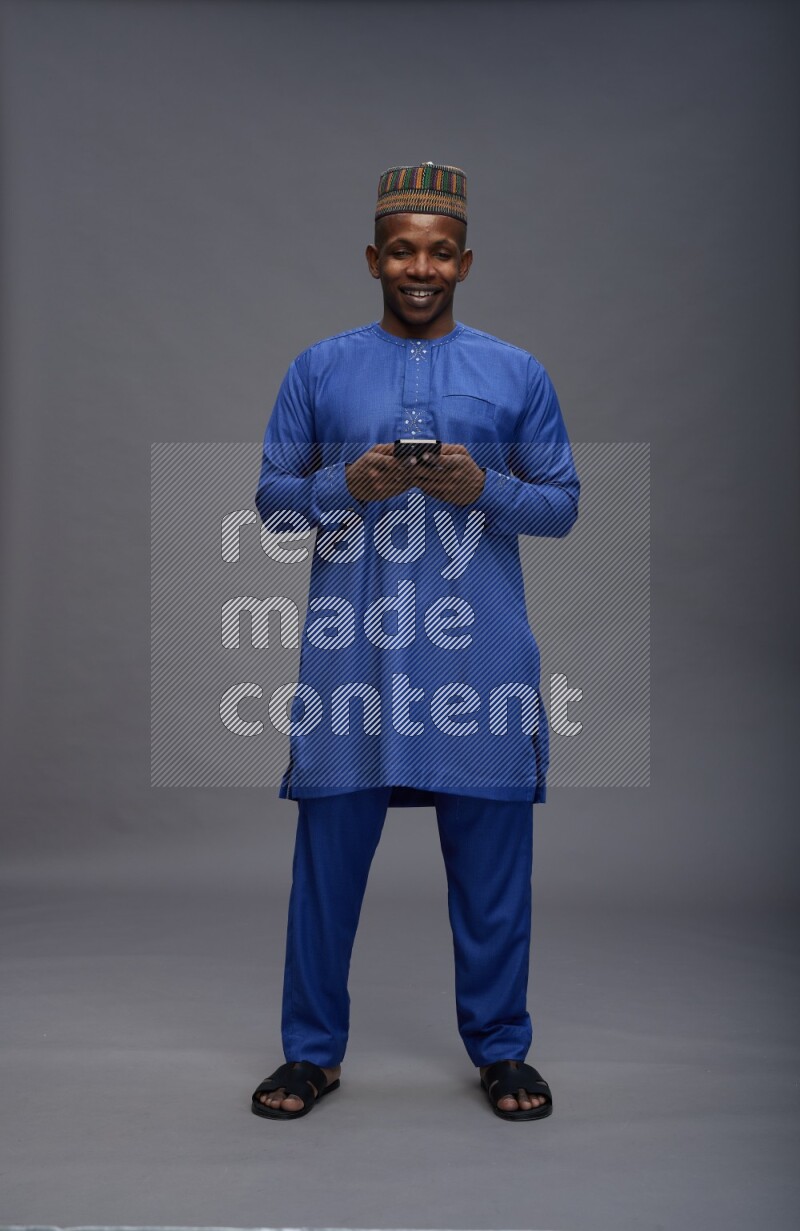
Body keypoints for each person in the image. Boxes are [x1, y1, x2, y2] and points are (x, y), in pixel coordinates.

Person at [250, 162, 579, 1121]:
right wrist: (344, 485)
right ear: (373, 258)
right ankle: (311, 1053)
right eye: (402, 249)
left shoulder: (518, 373)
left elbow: (561, 508)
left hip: (479, 657)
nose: (420, 266)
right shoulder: (319, 368)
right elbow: (271, 504)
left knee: (492, 870)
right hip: (352, 655)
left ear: (465, 261)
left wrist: (491, 492)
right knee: (326, 867)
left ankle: (504, 1050)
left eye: (439, 251)